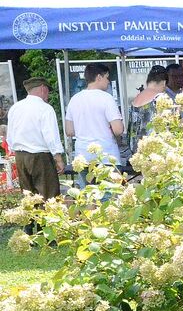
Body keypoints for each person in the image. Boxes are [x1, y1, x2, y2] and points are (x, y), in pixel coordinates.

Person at [7, 77, 64, 212]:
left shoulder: (15, 107)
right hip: (40, 157)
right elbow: (51, 135)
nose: (48, 95)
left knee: (28, 196)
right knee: (48, 196)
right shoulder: (45, 108)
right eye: (48, 91)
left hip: (20, 156)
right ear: (43, 88)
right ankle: (49, 228)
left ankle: (30, 229)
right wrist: (58, 158)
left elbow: (10, 135)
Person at [64, 63, 124, 183]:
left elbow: (69, 131)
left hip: (83, 156)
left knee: (90, 195)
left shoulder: (74, 99)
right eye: (107, 77)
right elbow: (118, 130)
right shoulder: (107, 98)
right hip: (106, 156)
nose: (108, 81)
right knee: (108, 196)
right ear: (99, 77)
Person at [123, 66, 168, 168]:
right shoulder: (159, 98)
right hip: (154, 152)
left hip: (135, 150)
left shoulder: (137, 98)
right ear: (164, 83)